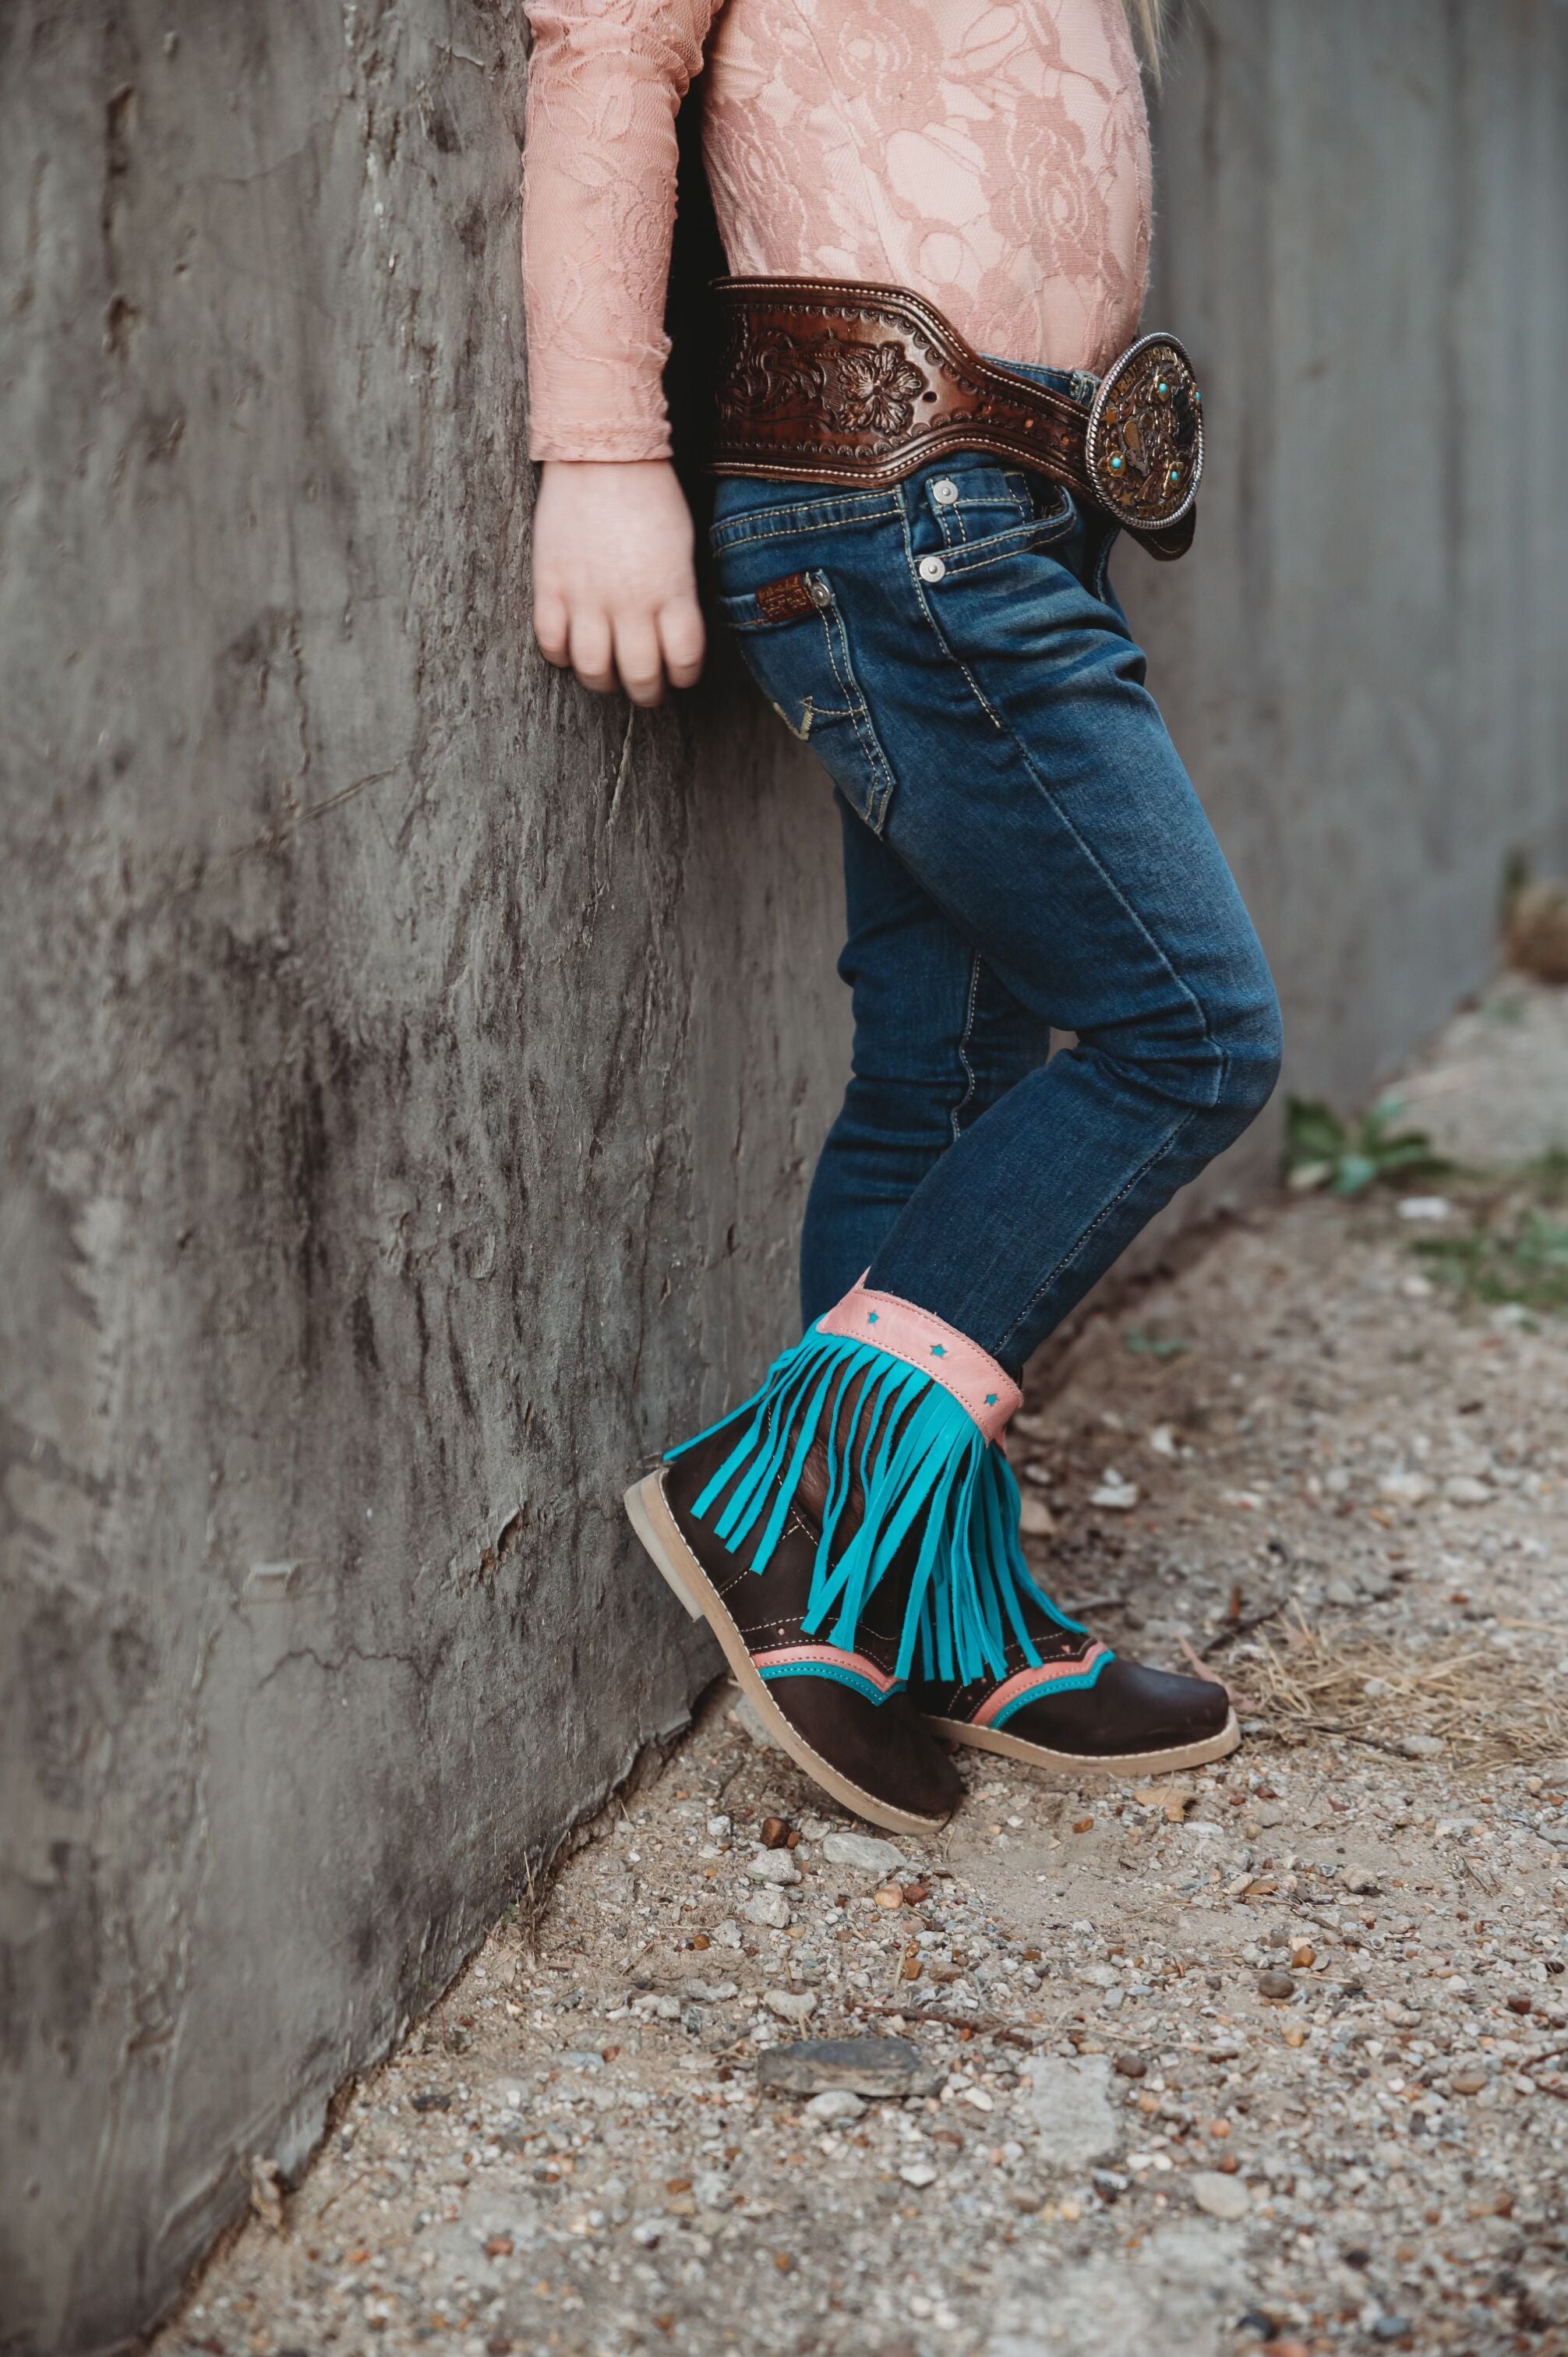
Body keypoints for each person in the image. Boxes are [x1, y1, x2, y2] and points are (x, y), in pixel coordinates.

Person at [521, 0, 1283, 1834]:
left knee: (948, 1064)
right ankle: (794, 1501)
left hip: (1014, 497)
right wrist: (601, 454)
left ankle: (913, 1612)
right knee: (1187, 1029)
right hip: (893, 494)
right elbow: (607, 53)